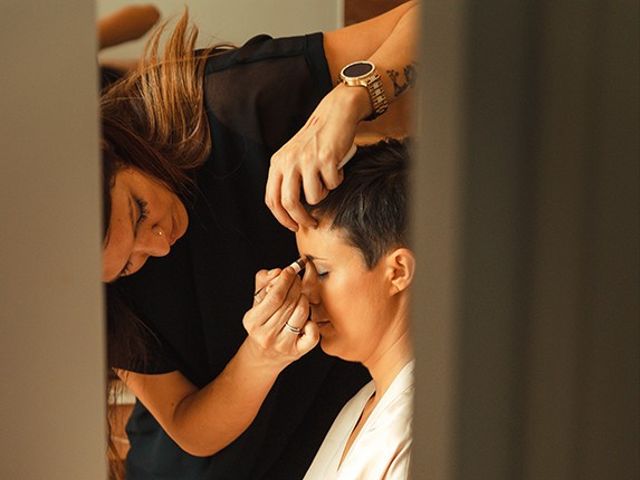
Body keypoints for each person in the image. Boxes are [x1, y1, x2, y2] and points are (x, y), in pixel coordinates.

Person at [101, 2, 418, 478]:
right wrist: (260, 357)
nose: (162, 244)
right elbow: (190, 426)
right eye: (129, 264)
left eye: (140, 211)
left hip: (343, 416)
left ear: (116, 149)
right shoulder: (99, 297)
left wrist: (350, 98)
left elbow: (432, 19)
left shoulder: (233, 104)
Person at [296, 139, 414, 479]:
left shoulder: (421, 428)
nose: (307, 293)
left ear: (398, 272)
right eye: (302, 269)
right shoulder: (360, 405)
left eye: (322, 272)